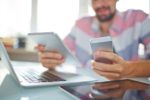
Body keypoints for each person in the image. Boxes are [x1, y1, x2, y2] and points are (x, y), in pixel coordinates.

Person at [36, 0, 150, 80]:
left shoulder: (138, 19)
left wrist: (128, 69)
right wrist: (50, 60)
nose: (100, 4)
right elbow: (61, 55)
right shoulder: (80, 25)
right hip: (83, 92)